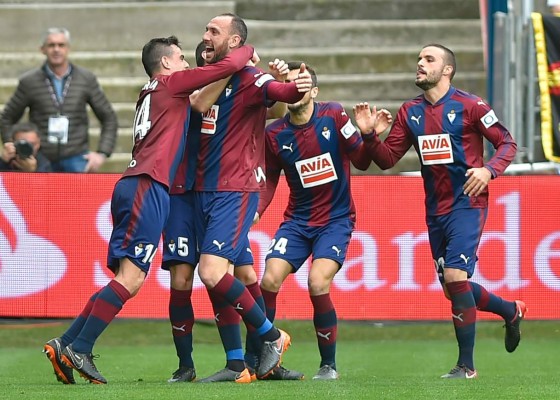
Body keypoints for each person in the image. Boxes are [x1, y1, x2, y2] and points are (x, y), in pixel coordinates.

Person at [42, 35, 256, 385]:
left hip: (135, 183)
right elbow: (229, 65)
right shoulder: (171, 83)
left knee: (124, 276)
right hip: (148, 186)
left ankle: (65, 343)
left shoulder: (152, 91)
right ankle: (81, 347)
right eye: (182, 58)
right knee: (132, 279)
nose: (187, 63)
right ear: (167, 63)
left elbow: (201, 100)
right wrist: (245, 51)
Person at [353, 43, 526, 379]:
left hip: (468, 202)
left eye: (428, 59)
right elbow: (387, 159)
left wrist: (489, 169)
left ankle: (466, 366)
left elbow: (507, 142)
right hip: (435, 210)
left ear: (447, 70)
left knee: (455, 278)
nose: (420, 63)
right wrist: (371, 136)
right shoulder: (409, 112)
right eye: (418, 58)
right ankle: (510, 310)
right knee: (452, 289)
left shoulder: (470, 105)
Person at [164, 42, 302, 383]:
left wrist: (276, 79)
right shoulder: (186, 91)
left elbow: (269, 107)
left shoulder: (240, 88)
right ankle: (204, 364)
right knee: (192, 278)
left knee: (241, 274)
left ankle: (260, 357)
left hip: (227, 193)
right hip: (186, 194)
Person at [190, 13, 313, 382]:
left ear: (234, 40)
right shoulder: (204, 77)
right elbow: (197, 104)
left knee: (211, 272)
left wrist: (295, 83)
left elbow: (284, 96)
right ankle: (239, 364)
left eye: (214, 31)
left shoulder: (252, 77)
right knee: (239, 274)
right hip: (202, 192)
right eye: (206, 30)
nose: (206, 36)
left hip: (236, 190)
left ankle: (271, 338)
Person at [256, 62, 374, 381]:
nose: (294, 88)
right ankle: (266, 358)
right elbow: (268, 181)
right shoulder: (275, 133)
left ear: (315, 91)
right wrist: (256, 211)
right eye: (289, 83)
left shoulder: (334, 115)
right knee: (268, 280)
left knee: (317, 282)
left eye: (301, 83)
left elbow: (362, 160)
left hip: (334, 221)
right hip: (296, 222)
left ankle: (328, 365)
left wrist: (368, 133)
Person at [0, 27, 117, 172]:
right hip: (41, 159)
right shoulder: (29, 82)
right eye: (51, 45)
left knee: (76, 195)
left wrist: (102, 153)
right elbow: (7, 117)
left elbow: (108, 117)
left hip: (76, 158)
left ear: (68, 49)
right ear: (42, 49)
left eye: (61, 45)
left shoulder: (86, 79)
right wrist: (10, 146)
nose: (56, 49)